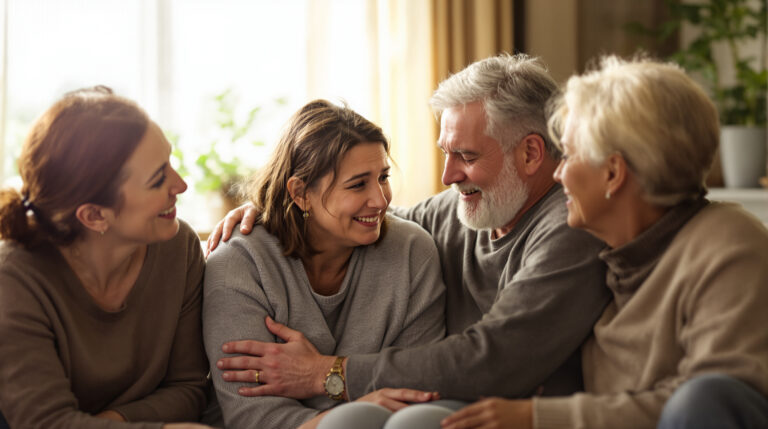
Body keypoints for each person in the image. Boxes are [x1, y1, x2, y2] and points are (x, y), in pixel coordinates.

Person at [206, 53, 610, 426]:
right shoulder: (469, 208)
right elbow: (372, 218)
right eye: (446, 154)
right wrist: (274, 210)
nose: (448, 177)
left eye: (466, 157)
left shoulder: (573, 226)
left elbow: (492, 359)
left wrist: (326, 374)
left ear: (530, 154)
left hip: (515, 409)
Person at [439, 56, 768, 429]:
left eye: (569, 155)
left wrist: (537, 418)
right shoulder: (612, 257)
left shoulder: (727, 242)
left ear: (613, 174)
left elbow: (711, 407)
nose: (559, 172)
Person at [202, 99, 447, 429]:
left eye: (383, 177)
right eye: (358, 184)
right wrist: (353, 411)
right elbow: (252, 414)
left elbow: (418, 387)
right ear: (300, 192)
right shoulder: (240, 263)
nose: (380, 199)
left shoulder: (412, 251)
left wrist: (324, 378)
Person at [0, 87, 212, 429]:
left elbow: (188, 388)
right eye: (159, 179)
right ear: (95, 216)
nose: (181, 184)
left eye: (169, 163)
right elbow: (46, 423)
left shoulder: (178, 247)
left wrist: (111, 421)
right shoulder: (14, 280)